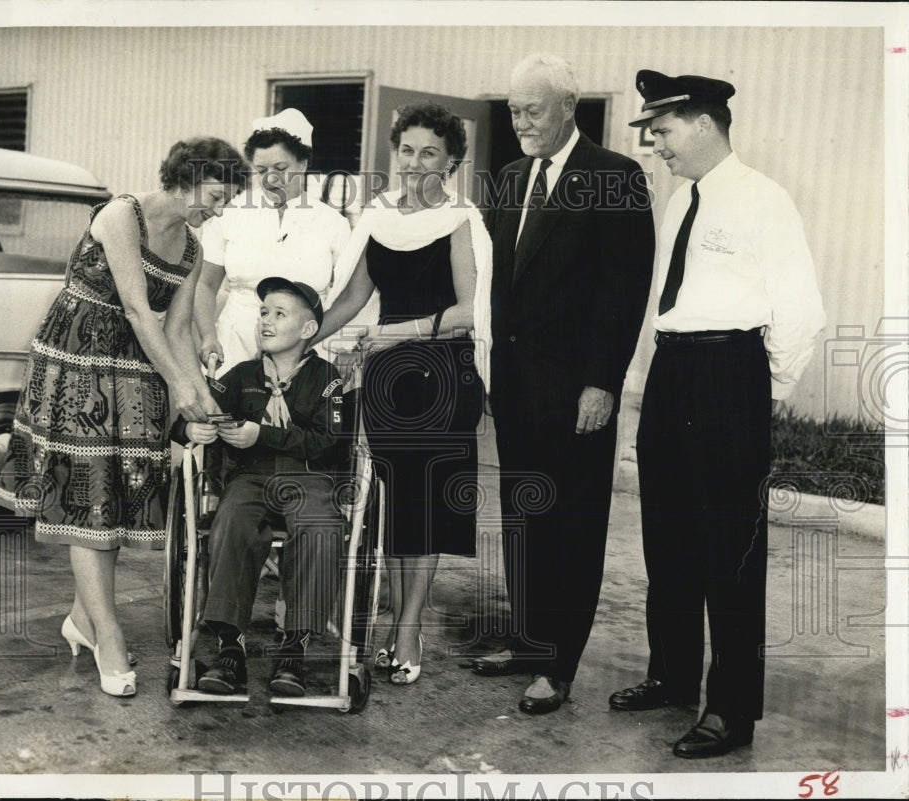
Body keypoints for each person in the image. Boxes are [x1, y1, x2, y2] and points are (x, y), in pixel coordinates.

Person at [612, 70, 826, 757]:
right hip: (674, 370)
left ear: (704, 123)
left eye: (663, 132)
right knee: (666, 538)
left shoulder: (765, 199)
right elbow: (669, 305)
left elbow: (800, 311)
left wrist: (760, 391)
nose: (657, 147)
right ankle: (671, 676)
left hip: (729, 374)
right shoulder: (681, 203)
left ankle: (731, 711)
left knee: (730, 553)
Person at [0, 137, 241, 696]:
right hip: (77, 364)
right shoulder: (120, 214)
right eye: (215, 195)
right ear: (186, 178)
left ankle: (82, 621)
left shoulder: (192, 247)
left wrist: (203, 397)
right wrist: (179, 385)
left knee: (112, 503)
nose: (217, 208)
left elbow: (176, 329)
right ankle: (109, 636)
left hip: (134, 369)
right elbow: (134, 306)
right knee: (89, 501)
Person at [471, 53, 654, 715]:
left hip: (577, 391)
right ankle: (526, 640)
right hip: (515, 386)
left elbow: (624, 290)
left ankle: (558, 663)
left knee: (571, 524)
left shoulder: (616, 177)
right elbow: (499, 286)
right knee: (523, 515)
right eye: (514, 110)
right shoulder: (510, 177)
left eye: (533, 110)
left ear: (568, 107)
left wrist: (602, 382)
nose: (520, 121)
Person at [316, 101, 490, 686]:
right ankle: (399, 621)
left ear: (453, 163)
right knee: (395, 504)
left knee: (429, 506)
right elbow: (350, 299)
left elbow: (471, 311)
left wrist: (392, 333)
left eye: (430, 154)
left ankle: (409, 629)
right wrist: (300, 338)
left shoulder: (463, 220)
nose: (415, 164)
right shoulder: (379, 217)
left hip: (442, 374)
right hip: (389, 382)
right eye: (407, 151)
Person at [172, 277, 346, 697]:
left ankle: (294, 650)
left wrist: (262, 436)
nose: (266, 321)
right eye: (263, 312)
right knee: (231, 521)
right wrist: (193, 426)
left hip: (309, 479)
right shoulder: (239, 376)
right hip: (250, 478)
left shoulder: (328, 379)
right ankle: (230, 648)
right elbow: (187, 421)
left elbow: (331, 444)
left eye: (279, 314)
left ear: (307, 331)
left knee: (320, 526)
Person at [194, 108, 351, 377]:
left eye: (281, 168)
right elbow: (205, 284)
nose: (271, 179)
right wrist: (209, 336)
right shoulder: (229, 213)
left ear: (303, 165)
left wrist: (301, 344)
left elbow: (348, 297)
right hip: (235, 347)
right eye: (261, 170)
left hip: (305, 350)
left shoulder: (333, 223)